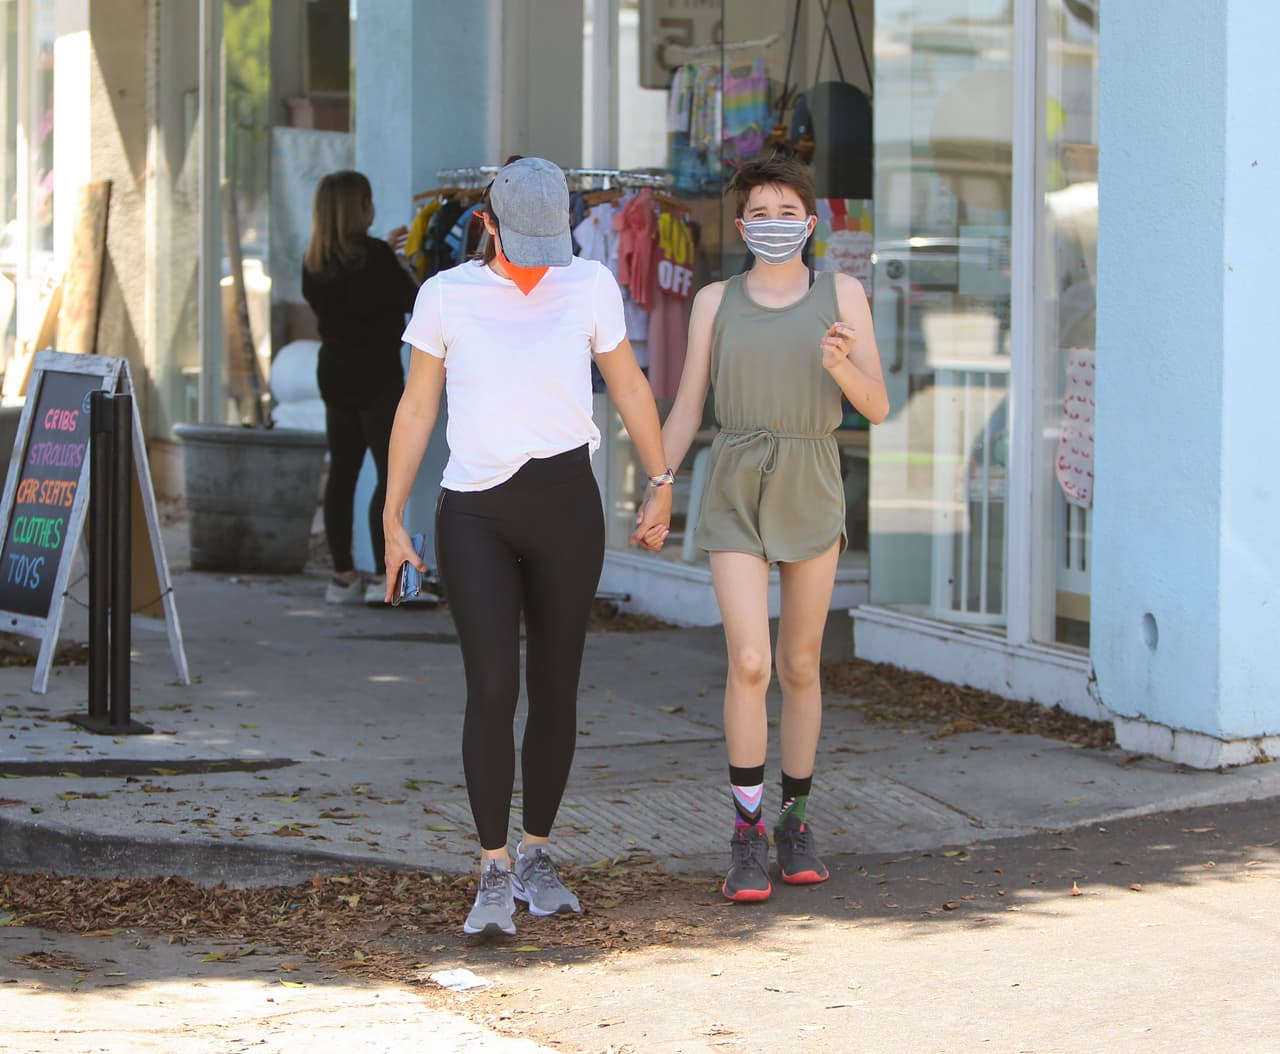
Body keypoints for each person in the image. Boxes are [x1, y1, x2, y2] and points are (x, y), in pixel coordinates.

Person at [383, 156, 673, 937]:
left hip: (567, 505)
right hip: (474, 513)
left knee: (556, 687)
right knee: (491, 689)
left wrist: (661, 479)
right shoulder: (445, 296)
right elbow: (417, 410)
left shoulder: (589, 284)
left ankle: (538, 851)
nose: (542, 257)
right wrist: (392, 515)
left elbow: (632, 387)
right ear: (487, 223)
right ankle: (491, 867)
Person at [658, 153, 889, 902]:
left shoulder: (842, 293)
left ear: (811, 223)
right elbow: (690, 402)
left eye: (787, 213)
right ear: (741, 224)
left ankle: (797, 820)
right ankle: (746, 834)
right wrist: (660, 487)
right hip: (733, 477)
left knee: (800, 664)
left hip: (812, 473)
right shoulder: (714, 300)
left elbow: (878, 406)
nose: (774, 225)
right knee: (749, 661)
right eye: (760, 213)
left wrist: (843, 368)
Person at [303, 170, 418, 605]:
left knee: (344, 474)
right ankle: (381, 575)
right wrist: (403, 264)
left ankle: (343, 575)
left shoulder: (314, 261)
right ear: (359, 209)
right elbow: (412, 302)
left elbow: (352, 284)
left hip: (334, 371)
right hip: (377, 374)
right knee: (389, 477)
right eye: (368, 201)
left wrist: (385, 257)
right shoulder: (377, 257)